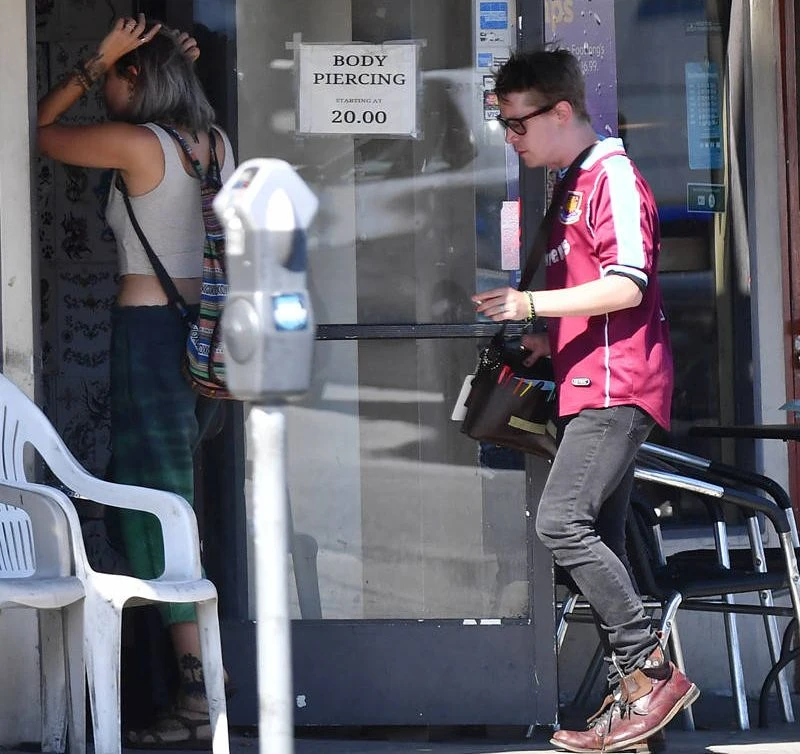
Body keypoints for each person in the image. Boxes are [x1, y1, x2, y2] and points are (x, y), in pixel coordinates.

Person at [473, 49, 698, 752]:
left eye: (517, 122)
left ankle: (650, 673)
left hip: (615, 385)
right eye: (505, 125)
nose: (511, 137)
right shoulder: (575, 182)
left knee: (562, 524)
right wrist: (548, 338)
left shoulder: (612, 177)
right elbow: (597, 294)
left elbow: (628, 284)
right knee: (600, 540)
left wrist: (531, 304)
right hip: (590, 382)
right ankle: (639, 717)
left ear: (562, 111)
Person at [37, 14, 234, 747]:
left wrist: (96, 60)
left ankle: (197, 692)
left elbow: (38, 132)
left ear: (132, 77)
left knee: (156, 506)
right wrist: (159, 64)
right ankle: (199, 679)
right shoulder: (213, 144)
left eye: (115, 79)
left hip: (150, 338)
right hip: (205, 341)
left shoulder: (138, 143)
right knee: (172, 497)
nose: (106, 93)